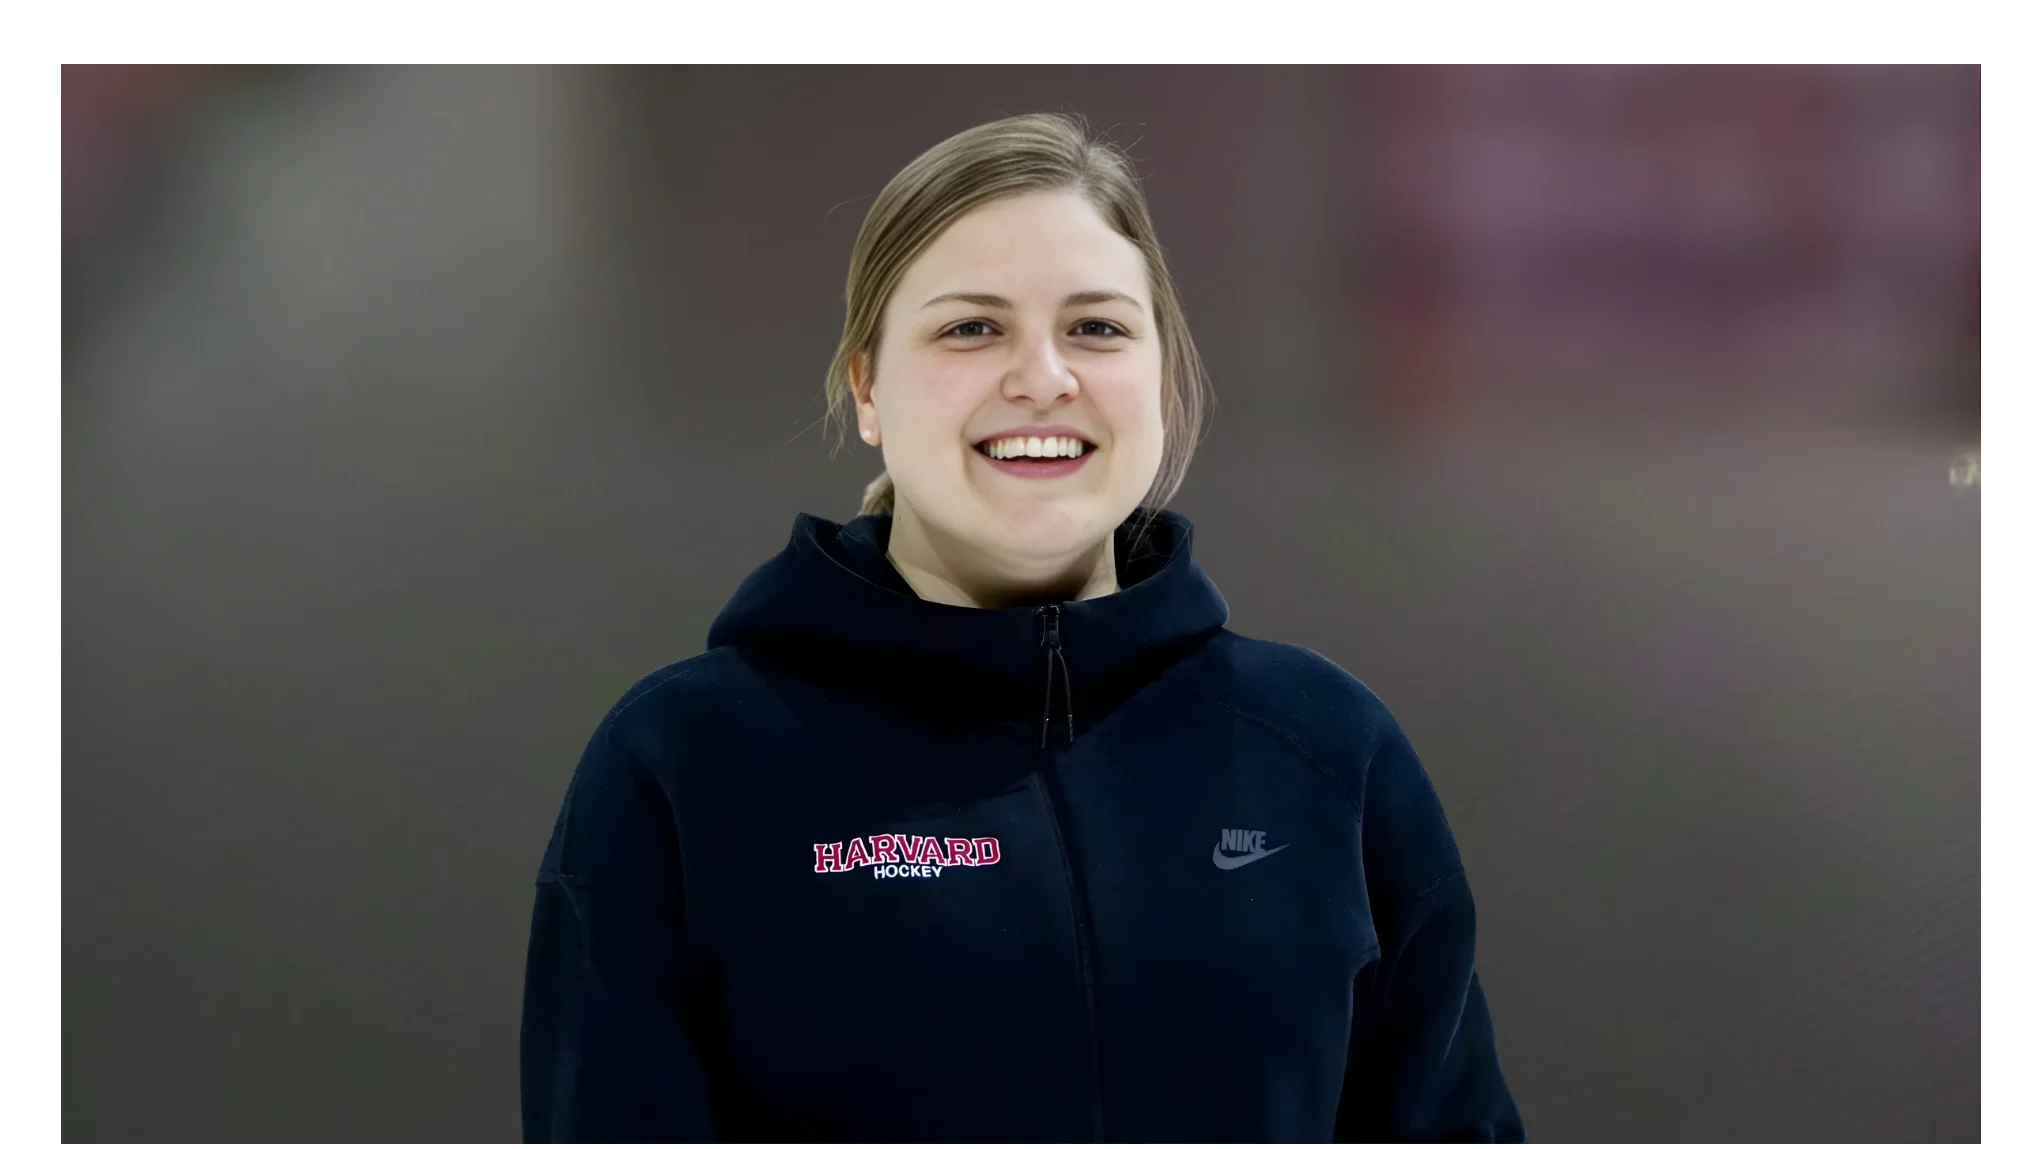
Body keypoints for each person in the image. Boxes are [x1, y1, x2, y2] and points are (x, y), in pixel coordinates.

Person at [520, 112, 1524, 1143]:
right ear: (867, 386)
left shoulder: (1324, 751)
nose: (1042, 377)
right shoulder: (684, 768)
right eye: (970, 328)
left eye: (1096, 328)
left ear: (1161, 378)